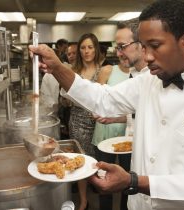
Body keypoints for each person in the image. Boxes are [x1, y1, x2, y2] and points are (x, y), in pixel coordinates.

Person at [29, 1, 184, 210]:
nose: (147, 56)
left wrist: (135, 181)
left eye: (154, 46)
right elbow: (103, 99)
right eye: (143, 47)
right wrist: (57, 68)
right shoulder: (149, 80)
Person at [68, 33, 111, 210]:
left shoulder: (104, 70)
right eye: (83, 48)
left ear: (96, 48)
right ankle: (84, 200)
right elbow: (66, 98)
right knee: (81, 161)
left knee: (100, 161)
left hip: (100, 123)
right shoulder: (74, 71)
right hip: (78, 122)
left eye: (90, 47)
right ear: (79, 50)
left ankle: (102, 193)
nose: (86, 51)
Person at [92, 61, 130, 210]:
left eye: (124, 46)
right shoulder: (107, 70)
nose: (121, 53)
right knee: (104, 179)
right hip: (104, 134)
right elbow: (97, 100)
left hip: (128, 136)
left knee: (129, 180)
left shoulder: (142, 75)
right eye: (119, 47)